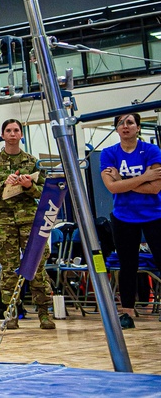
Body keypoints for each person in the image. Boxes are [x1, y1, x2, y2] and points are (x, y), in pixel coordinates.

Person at [0, 119, 55, 330]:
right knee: (9, 268)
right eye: (8, 130)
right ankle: (11, 312)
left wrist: (29, 185)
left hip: (30, 220)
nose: (12, 134)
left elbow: (43, 193)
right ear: (2, 135)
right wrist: (5, 184)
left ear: (21, 135)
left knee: (37, 266)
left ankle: (44, 313)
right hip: (4, 220)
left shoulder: (33, 162)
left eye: (16, 130)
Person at [100, 112, 161, 329]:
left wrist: (123, 180)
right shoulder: (108, 154)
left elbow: (155, 188)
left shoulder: (151, 151)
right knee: (128, 265)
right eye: (120, 123)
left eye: (130, 122)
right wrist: (143, 177)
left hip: (154, 214)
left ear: (137, 127)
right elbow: (112, 187)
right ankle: (127, 312)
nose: (125, 126)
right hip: (124, 217)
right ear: (116, 129)